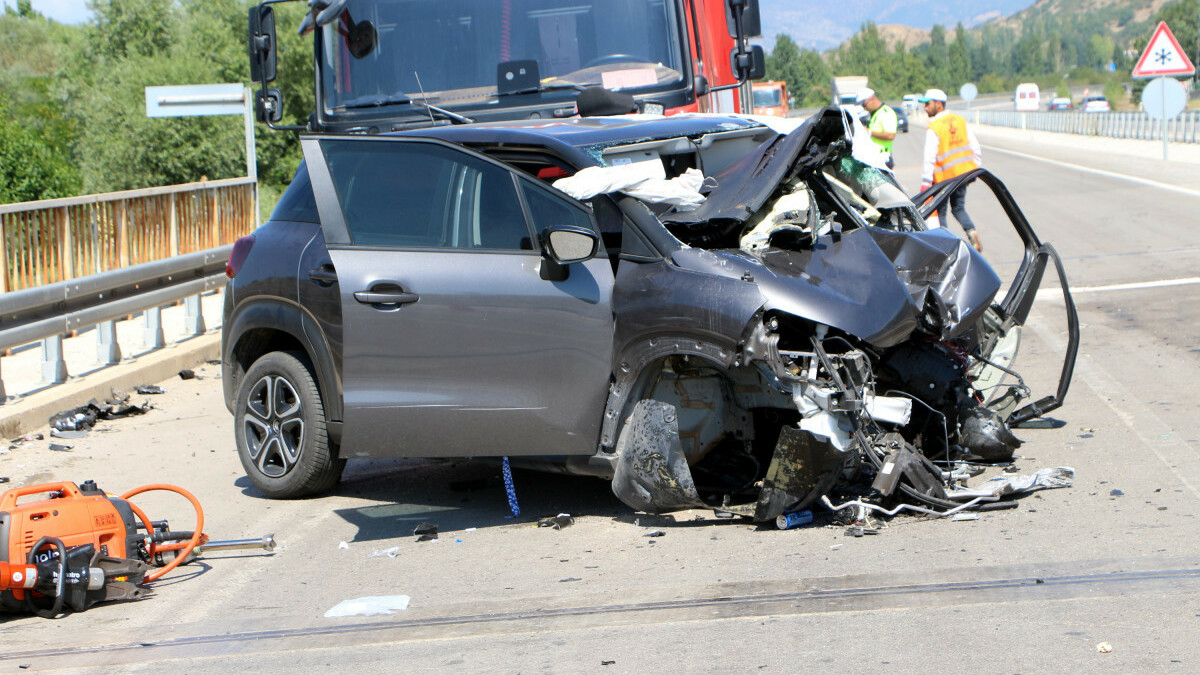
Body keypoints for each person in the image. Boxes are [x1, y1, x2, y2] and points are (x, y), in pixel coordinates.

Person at [919, 88, 983, 252]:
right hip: (963, 175)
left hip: (944, 178)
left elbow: (929, 156)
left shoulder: (935, 127)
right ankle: (971, 231)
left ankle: (945, 246)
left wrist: (926, 182)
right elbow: (975, 146)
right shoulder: (960, 120)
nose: (925, 107)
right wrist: (975, 167)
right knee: (959, 207)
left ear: (938, 105)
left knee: (941, 213)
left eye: (928, 104)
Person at [856, 88, 897, 169]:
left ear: (872, 99)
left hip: (883, 158)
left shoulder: (886, 112)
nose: (864, 108)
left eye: (864, 105)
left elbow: (890, 136)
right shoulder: (875, 114)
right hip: (874, 158)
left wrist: (869, 132)